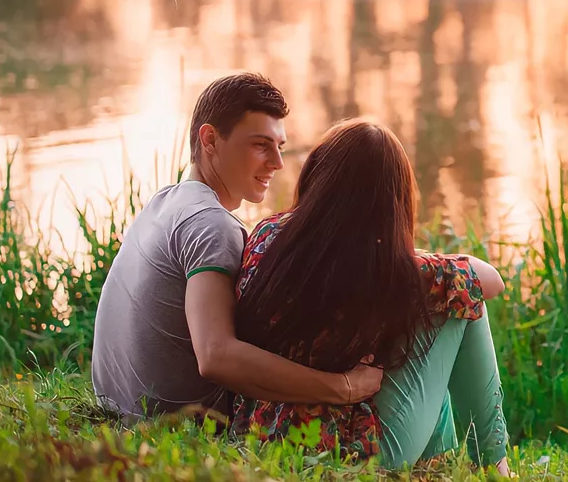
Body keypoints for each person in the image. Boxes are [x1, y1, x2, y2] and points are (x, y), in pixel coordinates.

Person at [92, 73, 385, 419]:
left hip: (116, 408)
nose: (276, 162)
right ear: (211, 139)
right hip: (177, 427)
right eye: (261, 145)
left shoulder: (165, 203)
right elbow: (216, 355)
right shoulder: (212, 224)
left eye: (280, 147)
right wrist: (343, 387)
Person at [230, 118, 512, 476]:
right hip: (350, 454)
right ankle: (494, 465)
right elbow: (490, 280)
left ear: (317, 176)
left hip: (262, 436)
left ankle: (434, 464)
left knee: (442, 300)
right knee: (464, 302)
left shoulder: (268, 233)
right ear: (390, 202)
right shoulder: (388, 272)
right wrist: (411, 260)